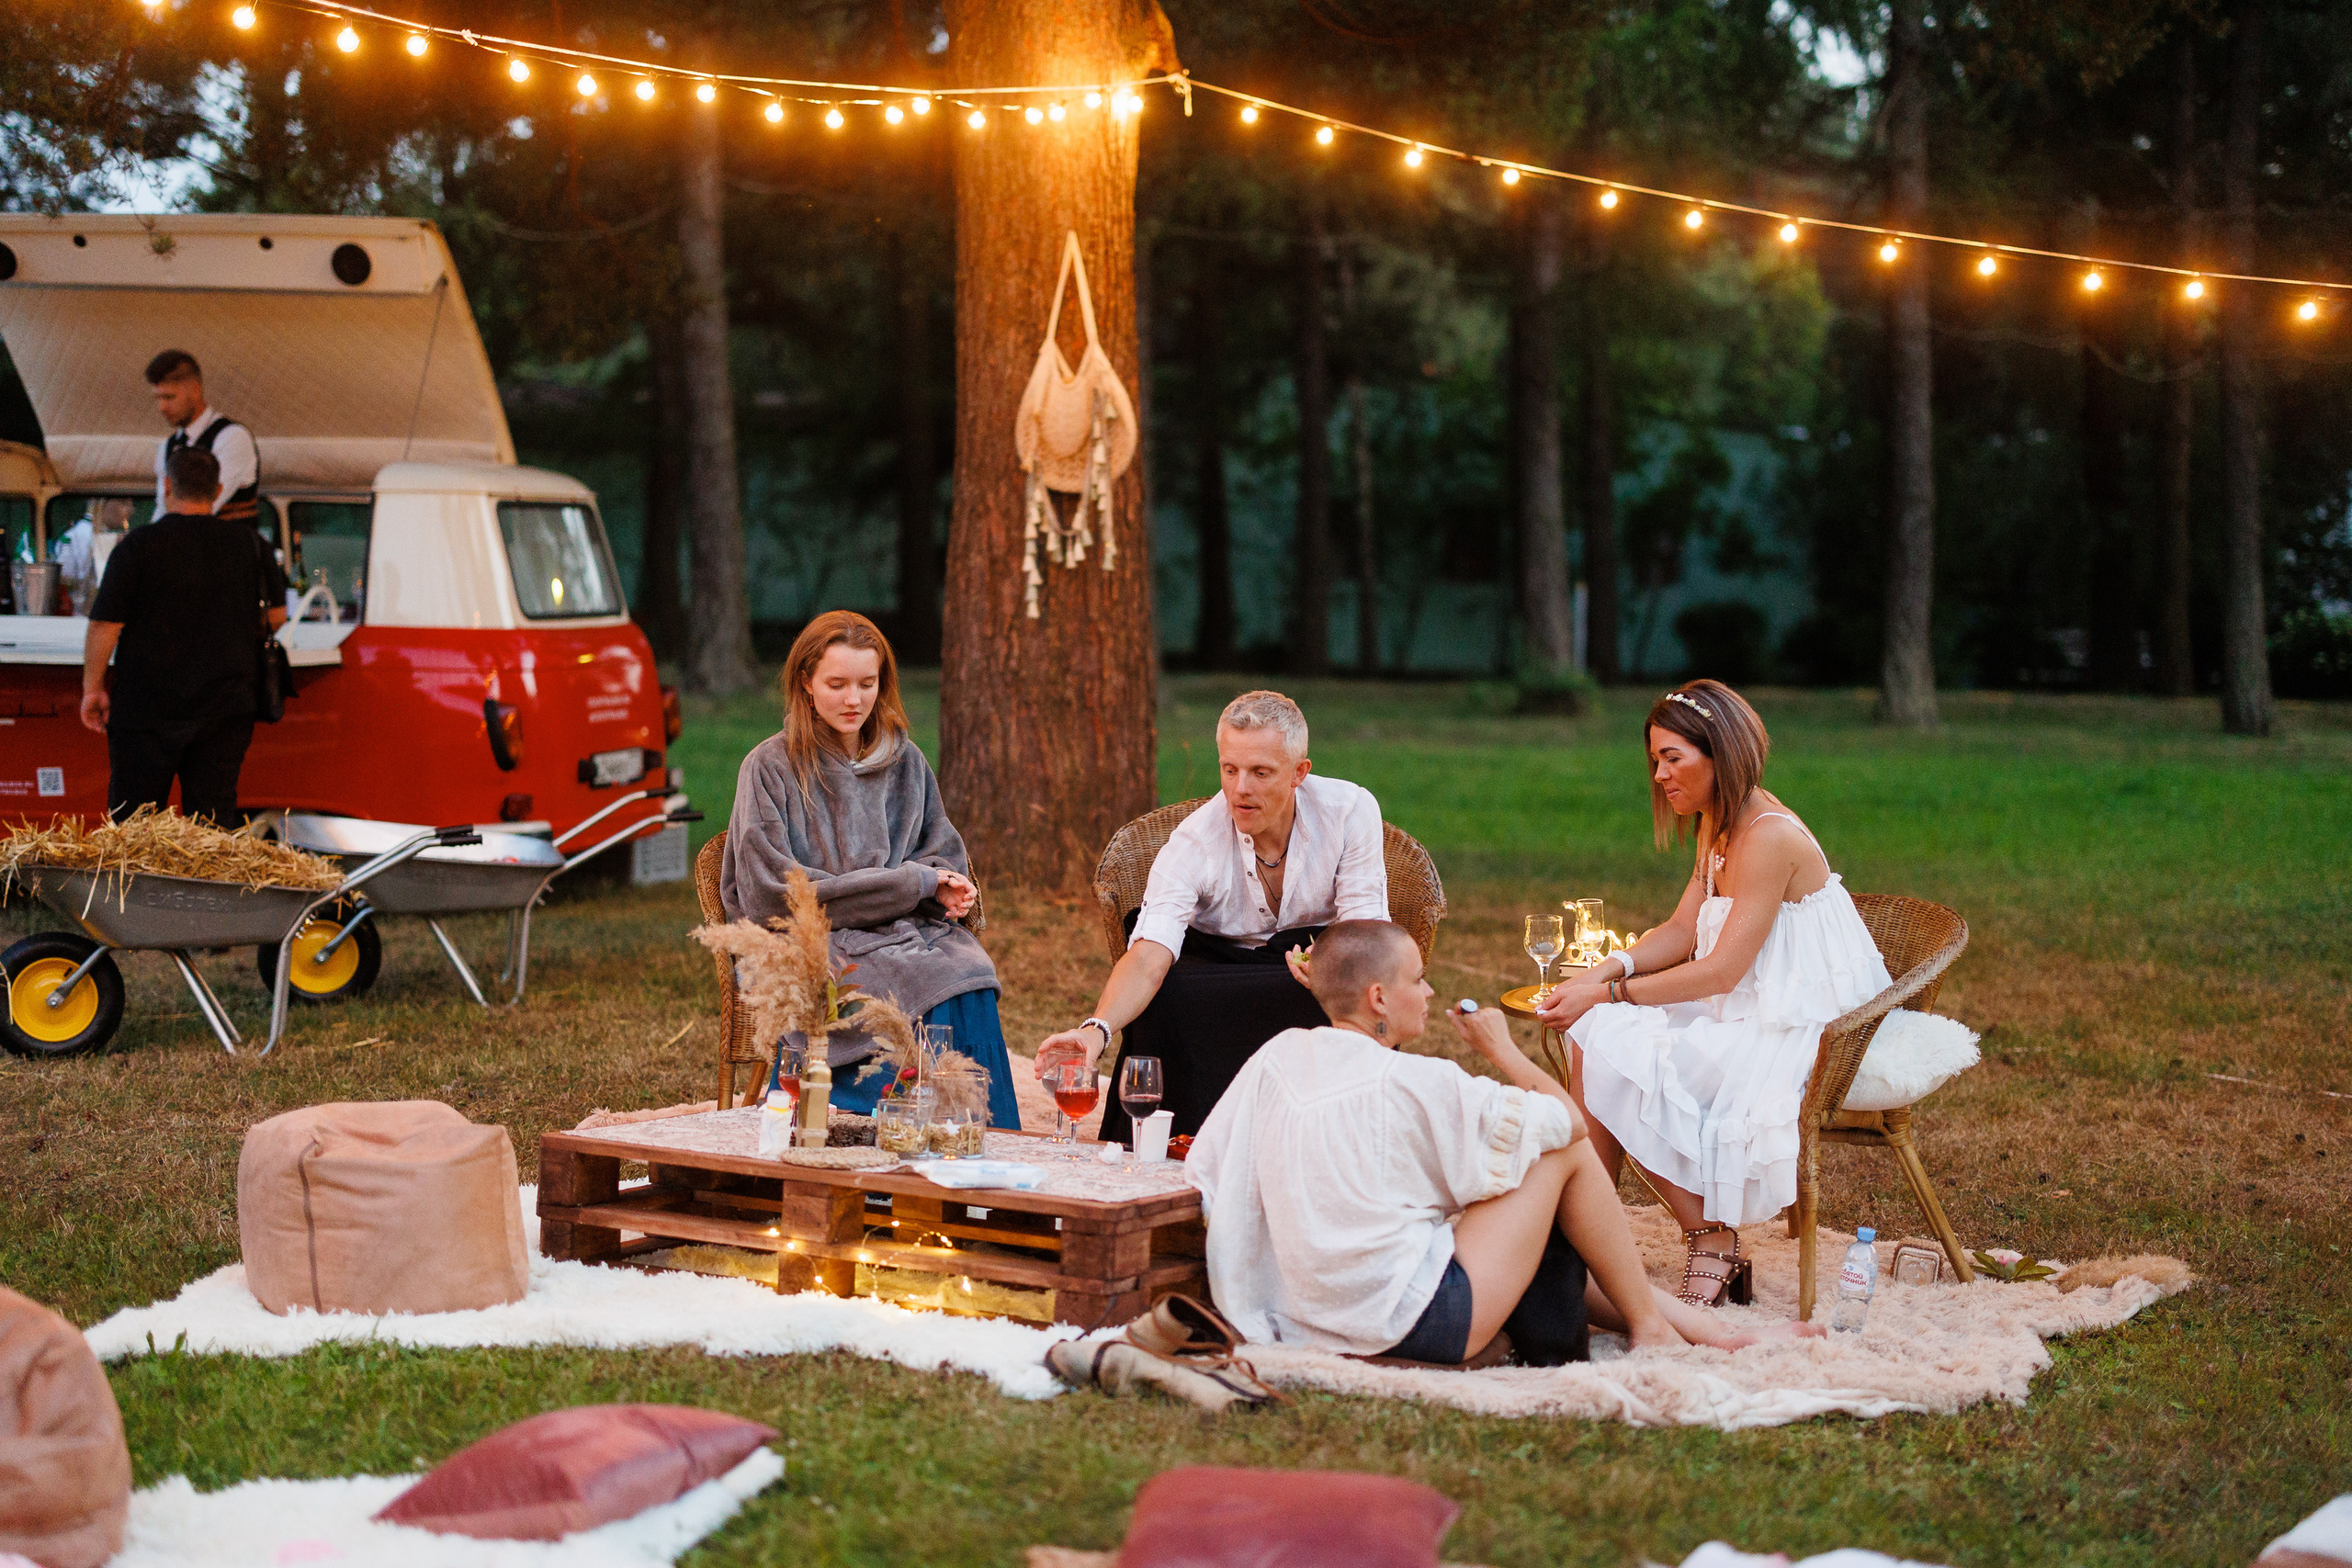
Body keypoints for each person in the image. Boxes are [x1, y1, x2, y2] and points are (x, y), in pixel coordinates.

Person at [1186, 919, 1821, 1363]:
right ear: (1379, 996)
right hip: (1414, 1320)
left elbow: (1210, 1168)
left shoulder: (1276, 1058)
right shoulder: (1418, 1079)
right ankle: (1652, 1327)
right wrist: (1503, 1050)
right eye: (1420, 977)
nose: (1431, 991)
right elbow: (1568, 1124)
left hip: (1309, 1308)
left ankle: (1698, 1327)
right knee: (1557, 1151)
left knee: (1528, 1192)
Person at [1536, 679, 1894, 1306]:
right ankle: (1586, 1237)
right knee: (1596, 1042)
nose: (1659, 775)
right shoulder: (1717, 823)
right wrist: (1604, 970)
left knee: (1610, 1041)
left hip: (1800, 1020)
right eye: (1655, 760)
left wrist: (1611, 997)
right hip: (1747, 999)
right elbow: (1681, 929)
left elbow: (1721, 970)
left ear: (1719, 753)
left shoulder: (1769, 836)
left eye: (1673, 757)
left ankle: (1704, 1236)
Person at [1035, 690, 1389, 1142]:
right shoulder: (1194, 841)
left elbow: (1367, 930)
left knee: (1359, 991)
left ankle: (1327, 1144)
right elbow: (1148, 957)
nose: (1241, 788)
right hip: (1218, 963)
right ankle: (1175, 1152)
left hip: (1317, 957)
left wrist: (1333, 965)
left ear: (1300, 772)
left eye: (1261, 772)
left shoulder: (1350, 811)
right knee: (1166, 996)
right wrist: (1094, 1032)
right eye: (1230, 769)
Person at [719, 611, 1020, 1129]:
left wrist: (942, 888)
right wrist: (911, 884)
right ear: (805, 683)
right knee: (921, 975)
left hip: (900, 928)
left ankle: (975, 1130)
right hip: (814, 938)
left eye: (866, 683)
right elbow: (773, 893)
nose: (853, 700)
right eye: (836, 684)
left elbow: (939, 851)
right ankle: (874, 1125)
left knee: (967, 971)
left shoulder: (905, 762)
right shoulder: (769, 766)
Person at [81, 446, 288, 825]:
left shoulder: (138, 547)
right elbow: (276, 614)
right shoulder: (250, 545)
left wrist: (92, 688)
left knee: (134, 826)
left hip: (145, 708)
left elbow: (104, 625)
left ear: (167, 486)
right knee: (212, 827)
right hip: (226, 708)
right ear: (218, 488)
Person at [146, 350, 260, 525]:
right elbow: (162, 509)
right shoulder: (168, 446)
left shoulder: (232, 438)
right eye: (158, 398)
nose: (162, 407)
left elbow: (206, 507)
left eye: (169, 397)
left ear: (195, 390)